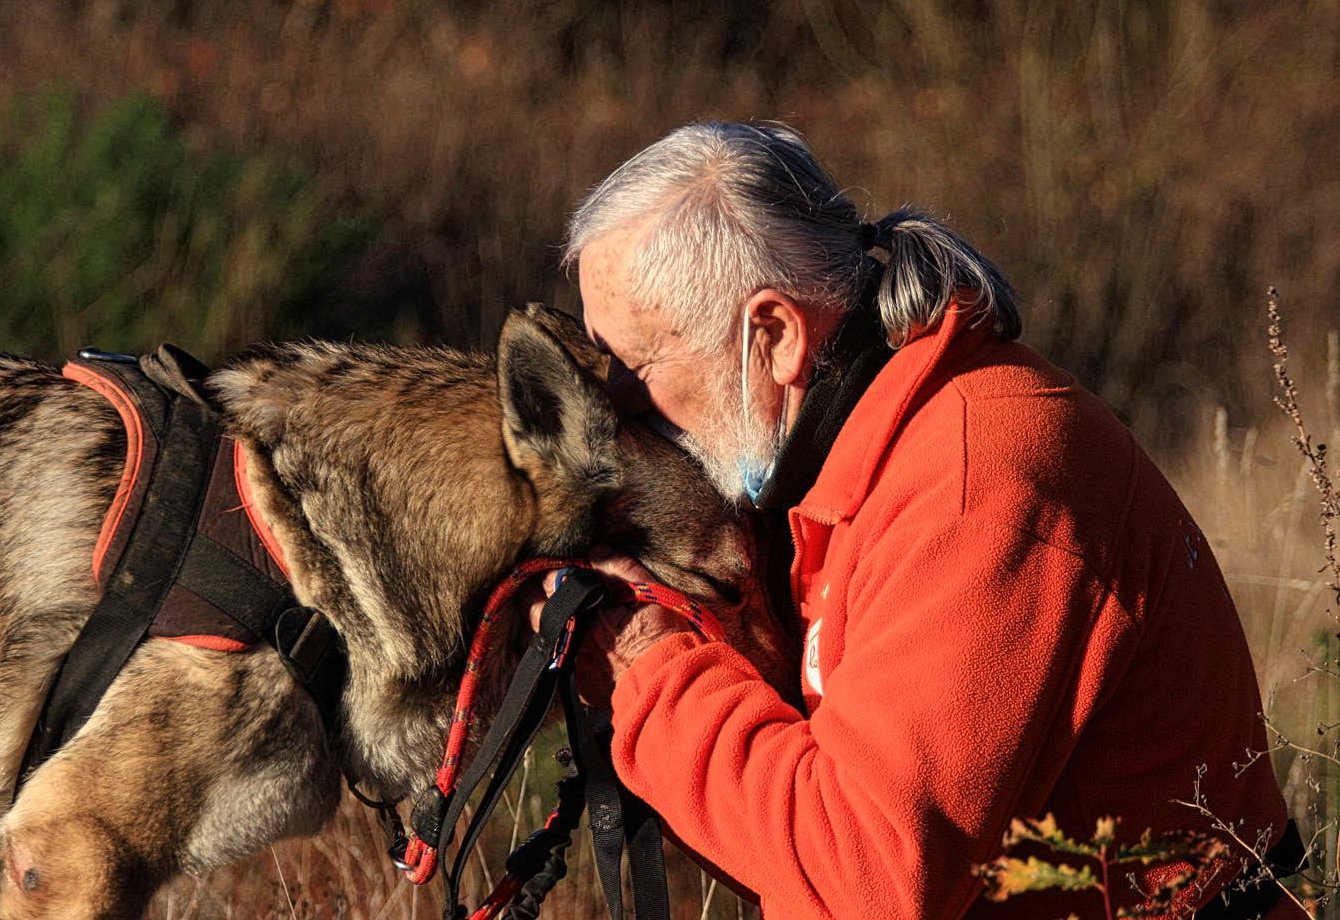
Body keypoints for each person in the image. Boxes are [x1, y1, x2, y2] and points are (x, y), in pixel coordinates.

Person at [527, 122, 1300, 919]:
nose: (613, 400)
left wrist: (646, 669)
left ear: (776, 336)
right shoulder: (845, 466)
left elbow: (869, 879)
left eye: (632, 362)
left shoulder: (974, 487)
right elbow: (786, 847)